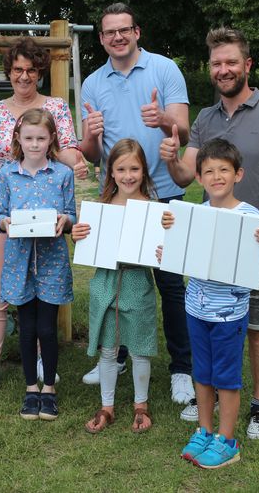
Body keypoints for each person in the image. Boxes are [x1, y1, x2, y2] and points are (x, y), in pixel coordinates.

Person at [160, 26, 259, 439]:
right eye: (217, 63)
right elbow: (186, 174)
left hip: (253, 242)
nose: (224, 69)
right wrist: (170, 158)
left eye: (231, 62)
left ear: (247, 65)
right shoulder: (204, 118)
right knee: (207, 319)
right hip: (209, 238)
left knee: (255, 324)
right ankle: (208, 400)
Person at [0, 37, 87, 404]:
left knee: (45, 285)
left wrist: (75, 160)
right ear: (9, 72)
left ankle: (46, 363)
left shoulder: (57, 107)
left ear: (40, 71)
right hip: (3, 207)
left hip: (47, 205)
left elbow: (68, 151)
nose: (24, 76)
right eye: (18, 70)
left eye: (31, 69)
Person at [80, 2, 194, 404]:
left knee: (169, 284)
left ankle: (182, 367)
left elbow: (183, 128)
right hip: (116, 197)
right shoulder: (93, 83)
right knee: (116, 277)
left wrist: (163, 119)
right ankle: (118, 355)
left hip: (164, 191)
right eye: (109, 32)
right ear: (101, 38)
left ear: (137, 31)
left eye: (124, 30)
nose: (117, 37)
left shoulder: (164, 69)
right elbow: (92, 154)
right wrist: (91, 136)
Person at [159, 139, 259, 468]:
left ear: (238, 174)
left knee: (225, 377)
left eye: (224, 170)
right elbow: (179, 256)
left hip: (229, 314)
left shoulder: (250, 216)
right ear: (199, 178)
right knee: (202, 373)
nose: (216, 176)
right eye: (208, 171)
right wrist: (168, 240)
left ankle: (227, 440)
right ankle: (205, 431)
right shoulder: (192, 215)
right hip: (195, 309)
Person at [0, 108, 76, 420]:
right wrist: (5, 224)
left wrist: (65, 220)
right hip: (19, 263)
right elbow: (0, 214)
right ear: (18, 138)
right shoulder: (6, 174)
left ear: (51, 138)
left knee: (47, 328)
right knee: (27, 328)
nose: (35, 144)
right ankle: (31, 387)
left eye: (41, 138)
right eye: (28, 138)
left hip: (52, 262)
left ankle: (49, 389)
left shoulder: (62, 175)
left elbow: (71, 215)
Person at [74, 139, 158, 434]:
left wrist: (163, 249)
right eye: (121, 169)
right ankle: (107, 406)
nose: (128, 175)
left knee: (139, 348)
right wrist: (79, 235)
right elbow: (89, 245)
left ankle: (141, 405)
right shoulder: (102, 208)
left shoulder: (153, 210)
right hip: (105, 283)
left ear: (144, 170)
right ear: (111, 172)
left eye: (134, 168)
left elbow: (160, 254)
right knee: (108, 348)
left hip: (137, 282)